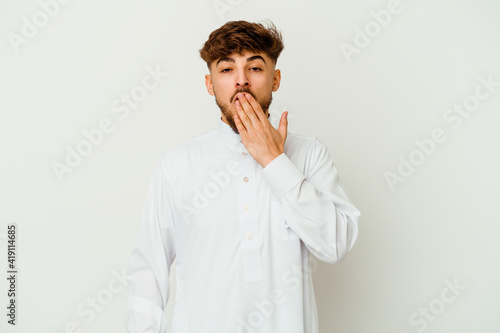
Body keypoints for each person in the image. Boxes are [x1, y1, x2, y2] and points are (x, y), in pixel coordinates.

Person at [125, 19, 361, 333]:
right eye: (226, 70)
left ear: (275, 79)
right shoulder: (177, 164)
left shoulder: (309, 154)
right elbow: (148, 273)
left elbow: (335, 245)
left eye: (254, 68)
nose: (241, 81)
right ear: (209, 84)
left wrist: (274, 161)